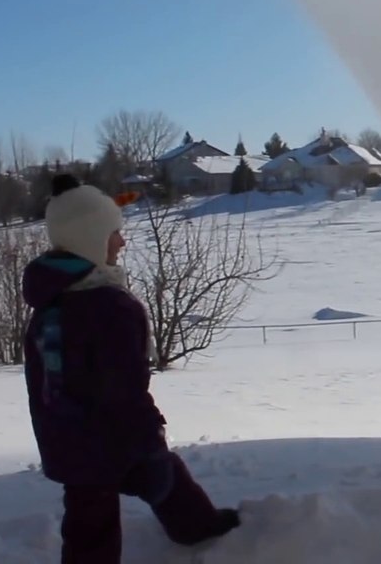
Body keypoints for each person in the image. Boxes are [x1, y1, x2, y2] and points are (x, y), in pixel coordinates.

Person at [22, 174, 240, 563]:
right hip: (111, 438)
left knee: (106, 506)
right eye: (114, 233)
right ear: (90, 237)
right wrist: (148, 433)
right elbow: (124, 388)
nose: (122, 242)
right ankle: (196, 529)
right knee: (100, 522)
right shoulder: (108, 307)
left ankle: (197, 527)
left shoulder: (50, 302)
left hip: (65, 438)